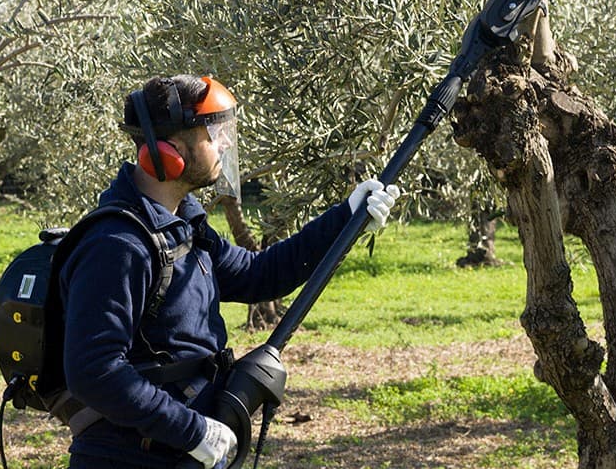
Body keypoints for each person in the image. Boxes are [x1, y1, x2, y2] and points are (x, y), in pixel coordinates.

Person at [59, 74, 400, 469]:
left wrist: (346, 218)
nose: (224, 143)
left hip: (182, 453)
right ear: (170, 152)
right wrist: (193, 431)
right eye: (213, 134)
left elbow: (261, 274)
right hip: (130, 459)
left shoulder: (184, 226)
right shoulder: (117, 244)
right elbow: (94, 370)